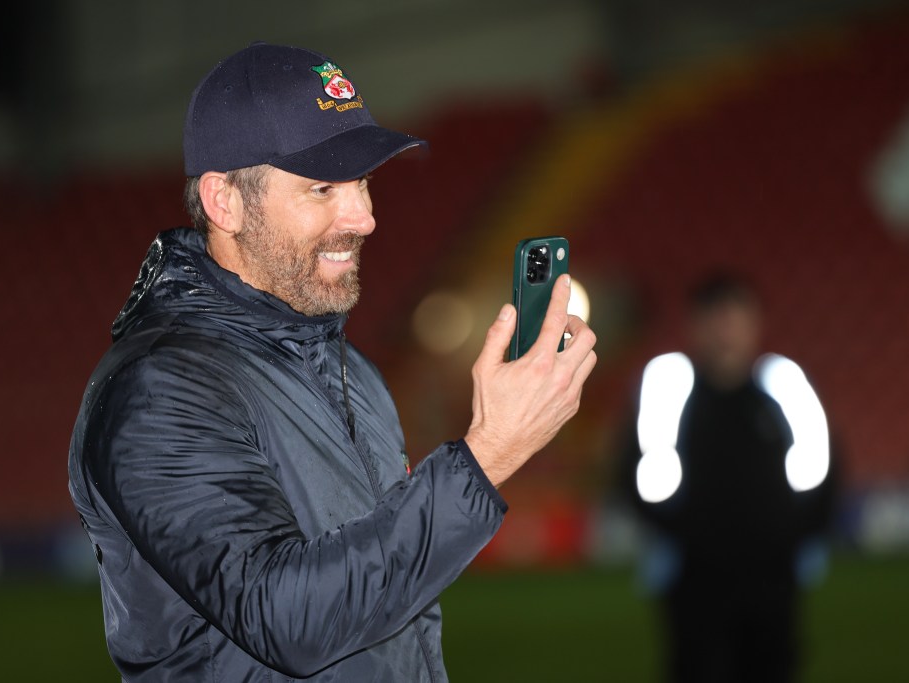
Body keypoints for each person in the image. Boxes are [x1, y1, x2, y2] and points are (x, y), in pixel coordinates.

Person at [67, 43, 596, 682]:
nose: (365, 218)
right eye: (322, 188)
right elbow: (286, 620)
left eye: (363, 182)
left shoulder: (353, 372)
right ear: (224, 201)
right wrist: (488, 456)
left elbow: (388, 611)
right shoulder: (160, 390)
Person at [617, 272, 835, 683]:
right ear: (694, 325)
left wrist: (792, 537)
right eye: (715, 319)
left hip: (772, 577)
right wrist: (683, 534)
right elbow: (632, 475)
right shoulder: (671, 392)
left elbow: (827, 469)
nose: (726, 331)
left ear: (756, 323)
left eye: (735, 318)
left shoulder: (783, 391)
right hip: (695, 579)